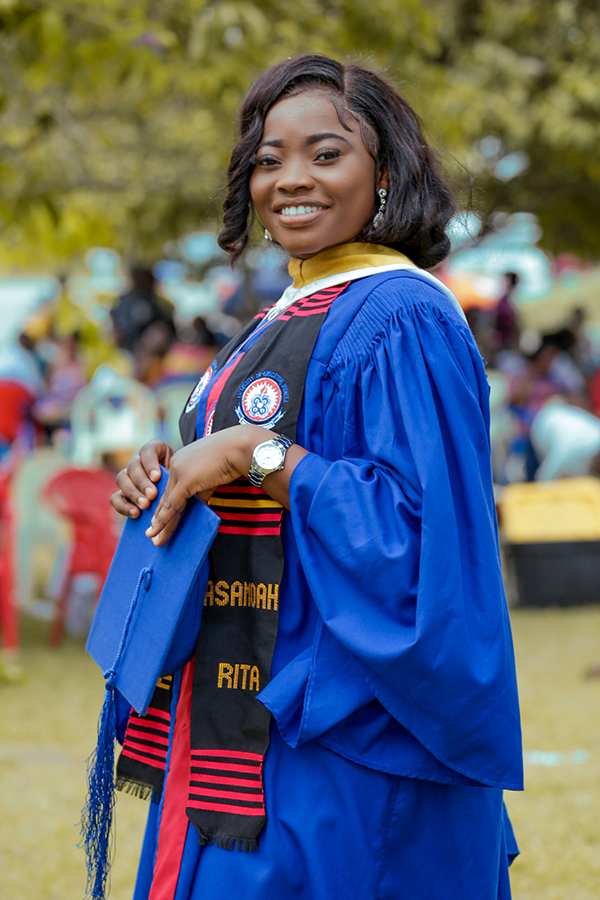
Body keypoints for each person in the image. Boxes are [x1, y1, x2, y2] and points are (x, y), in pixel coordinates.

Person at [110, 55, 523, 900]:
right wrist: (170, 468)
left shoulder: (401, 314)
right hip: (242, 709)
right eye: (269, 160)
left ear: (385, 171)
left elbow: (418, 541)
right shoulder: (286, 311)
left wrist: (252, 455)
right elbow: (245, 460)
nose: (291, 179)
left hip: (341, 727)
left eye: (325, 154)